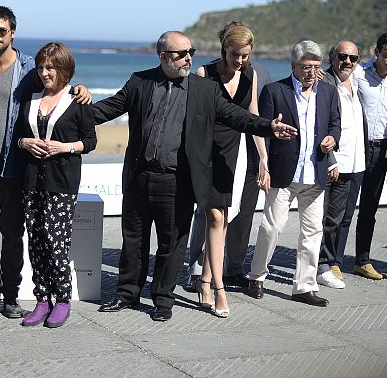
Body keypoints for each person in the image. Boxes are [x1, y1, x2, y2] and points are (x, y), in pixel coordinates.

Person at [92, 31, 297, 322]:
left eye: (191, 51)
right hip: (139, 176)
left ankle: (162, 300)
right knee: (133, 240)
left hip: (177, 180)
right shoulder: (140, 81)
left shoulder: (204, 89)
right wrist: (73, 110)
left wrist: (268, 127)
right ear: (163, 57)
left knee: (171, 244)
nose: (189, 57)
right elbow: (108, 108)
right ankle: (126, 294)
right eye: (181, 53)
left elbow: (236, 116)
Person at [0, 6, 90, 318]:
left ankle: (11, 294)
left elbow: (56, 80)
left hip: (15, 164)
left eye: (2, 31)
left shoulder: (29, 67)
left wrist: (82, 88)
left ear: (13, 33)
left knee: (13, 233)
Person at [247, 41, 340, 307]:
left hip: (315, 173)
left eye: (315, 67)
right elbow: (262, 130)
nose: (311, 72)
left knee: (312, 233)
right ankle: (257, 275)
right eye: (305, 67)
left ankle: (304, 286)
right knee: (272, 227)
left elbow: (335, 123)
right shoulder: (275, 91)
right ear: (293, 66)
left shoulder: (328, 92)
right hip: (283, 172)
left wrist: (332, 139)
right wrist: (262, 166)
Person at [186, 22, 269, 318]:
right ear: (224, 49)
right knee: (215, 217)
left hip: (238, 155)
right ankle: (218, 289)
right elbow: (193, 123)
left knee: (222, 222)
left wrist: (263, 159)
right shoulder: (203, 75)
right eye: (236, 55)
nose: (241, 61)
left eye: (246, 55)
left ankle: (206, 282)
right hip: (208, 155)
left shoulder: (251, 75)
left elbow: (254, 117)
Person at [16, 42, 97, 328]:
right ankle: (42, 299)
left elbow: (90, 142)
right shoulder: (31, 98)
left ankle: (62, 299)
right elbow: (18, 136)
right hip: (31, 182)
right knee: (36, 243)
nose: (44, 72)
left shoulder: (78, 100)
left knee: (55, 243)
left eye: (50, 67)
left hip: (61, 183)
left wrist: (64, 147)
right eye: (40, 67)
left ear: (63, 69)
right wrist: (25, 142)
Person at [353, 32, 387, 280]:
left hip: (384, 149)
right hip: (357, 146)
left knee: (370, 207)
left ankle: (362, 260)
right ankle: (327, 260)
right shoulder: (359, 72)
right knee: (342, 207)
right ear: (376, 52)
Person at [316, 41, 367, 288]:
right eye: (342, 56)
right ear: (332, 57)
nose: (347, 61)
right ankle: (321, 265)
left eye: (353, 58)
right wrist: (330, 161)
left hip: (355, 162)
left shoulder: (358, 82)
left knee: (341, 217)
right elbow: (320, 124)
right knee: (324, 217)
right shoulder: (323, 82)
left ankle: (331, 261)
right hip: (334, 161)